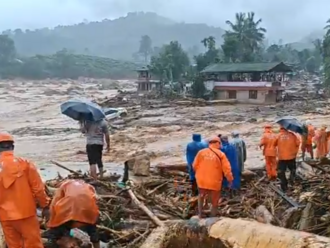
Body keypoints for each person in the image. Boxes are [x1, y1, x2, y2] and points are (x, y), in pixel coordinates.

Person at [0, 132, 50, 248]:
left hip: (5, 216)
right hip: (26, 214)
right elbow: (38, 189)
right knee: (34, 245)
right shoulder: (25, 164)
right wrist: (45, 206)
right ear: (12, 147)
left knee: (14, 246)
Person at [46, 179, 100, 248]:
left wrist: (51, 224)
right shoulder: (88, 186)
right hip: (89, 210)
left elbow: (53, 205)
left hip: (69, 208)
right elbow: (95, 199)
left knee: (56, 230)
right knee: (92, 229)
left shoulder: (64, 185)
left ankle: (52, 242)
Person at [193, 137, 233, 218]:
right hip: (214, 181)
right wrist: (230, 179)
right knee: (215, 201)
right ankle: (212, 218)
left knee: (201, 196)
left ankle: (200, 215)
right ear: (217, 143)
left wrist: (200, 174)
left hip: (201, 181)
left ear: (209, 143)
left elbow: (194, 165)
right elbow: (227, 169)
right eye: (220, 144)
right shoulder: (221, 154)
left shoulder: (201, 152)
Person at [274, 127, 300, 192]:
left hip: (282, 157)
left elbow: (274, 144)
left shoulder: (278, 136)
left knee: (281, 171)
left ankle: (284, 186)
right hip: (291, 156)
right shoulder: (293, 135)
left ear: (281, 129)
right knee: (293, 169)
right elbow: (298, 143)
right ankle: (292, 181)